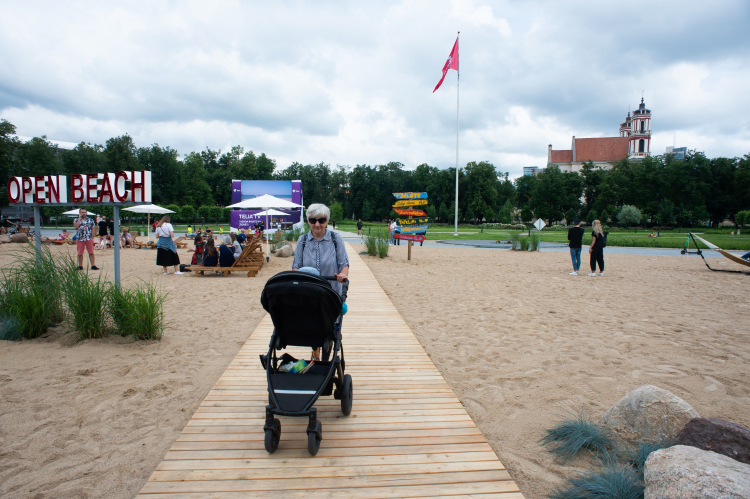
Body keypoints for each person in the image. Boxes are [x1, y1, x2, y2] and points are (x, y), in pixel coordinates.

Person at [292, 203, 350, 361]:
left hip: (331, 291)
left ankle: (324, 356)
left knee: (329, 327)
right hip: (309, 291)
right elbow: (296, 266)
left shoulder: (335, 239)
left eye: (322, 220)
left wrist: (343, 275)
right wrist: (301, 277)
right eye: (313, 220)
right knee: (311, 324)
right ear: (308, 221)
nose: (317, 224)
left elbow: (344, 263)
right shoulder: (302, 240)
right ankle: (315, 349)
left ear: (327, 220)